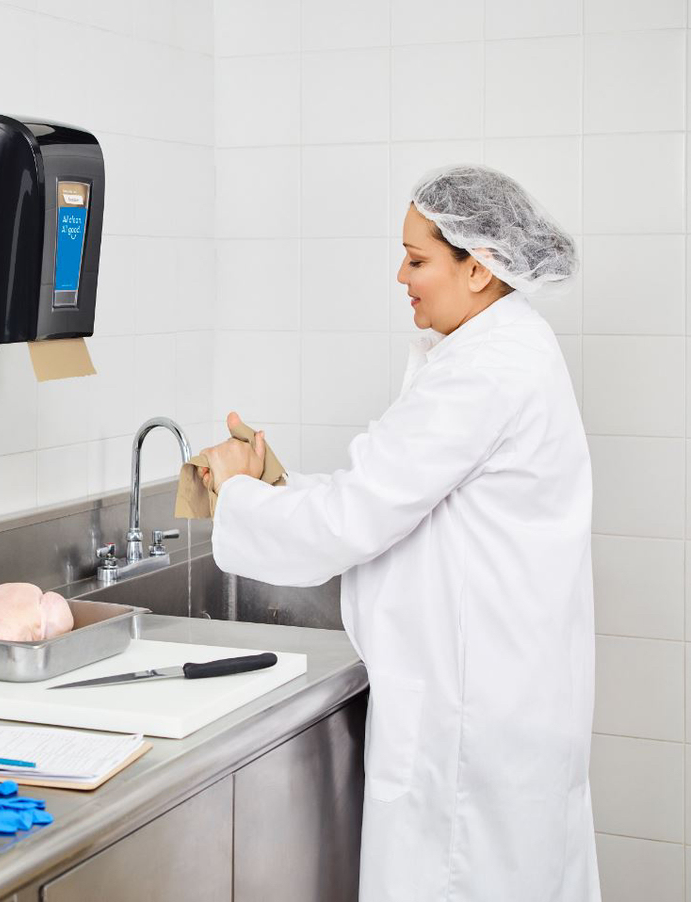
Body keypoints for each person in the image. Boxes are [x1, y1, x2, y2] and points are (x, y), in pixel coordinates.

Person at [202, 165, 598, 901]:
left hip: (472, 723)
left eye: (417, 259)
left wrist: (237, 492)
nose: (400, 275)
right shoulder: (501, 349)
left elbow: (355, 520)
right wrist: (280, 490)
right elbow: (403, 498)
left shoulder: (484, 371)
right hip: (503, 702)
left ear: (477, 269)